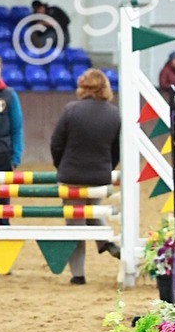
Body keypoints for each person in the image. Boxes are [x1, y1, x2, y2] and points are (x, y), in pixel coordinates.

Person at [50, 68, 121, 284]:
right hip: (99, 176)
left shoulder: (71, 110)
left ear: (83, 87)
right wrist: (107, 168)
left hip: (72, 175)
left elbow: (56, 143)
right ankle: (106, 241)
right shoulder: (114, 113)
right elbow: (116, 149)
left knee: (75, 224)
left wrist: (60, 166)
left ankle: (78, 275)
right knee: (92, 212)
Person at [0, 53, 23, 226]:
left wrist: (16, 158)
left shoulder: (9, 95)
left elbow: (17, 128)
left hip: (2, 159)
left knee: (2, 209)